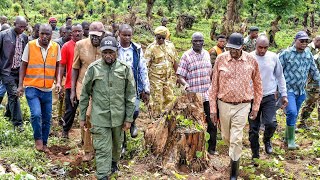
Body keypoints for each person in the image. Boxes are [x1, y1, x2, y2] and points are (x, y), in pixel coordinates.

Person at [79, 36, 136, 180]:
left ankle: (113, 163)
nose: (108, 55)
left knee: (117, 146)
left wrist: (129, 118)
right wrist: (82, 117)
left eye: (111, 52)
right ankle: (103, 175)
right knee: (103, 148)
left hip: (119, 116)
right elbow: (85, 93)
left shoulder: (125, 69)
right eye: (105, 52)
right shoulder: (94, 69)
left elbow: (130, 95)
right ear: (101, 52)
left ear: (117, 52)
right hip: (100, 117)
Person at [209, 33, 263, 179]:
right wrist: (213, 110)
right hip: (224, 104)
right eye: (230, 48)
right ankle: (233, 158)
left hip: (243, 105)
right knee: (227, 137)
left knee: (236, 138)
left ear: (242, 47)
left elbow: (258, 86)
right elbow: (214, 86)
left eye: (235, 49)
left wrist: (256, 106)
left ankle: (234, 174)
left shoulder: (251, 60)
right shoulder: (221, 59)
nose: (232, 51)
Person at [17, 24, 61, 152]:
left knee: (47, 118)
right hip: (32, 87)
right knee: (36, 114)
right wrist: (20, 85)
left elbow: (58, 66)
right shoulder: (30, 46)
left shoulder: (56, 47)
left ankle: (45, 143)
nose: (44, 36)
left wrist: (58, 82)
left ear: (51, 35)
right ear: (38, 33)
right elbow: (23, 65)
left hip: (47, 88)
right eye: (42, 33)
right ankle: (38, 140)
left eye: (47, 34)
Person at [176, 32, 217, 155]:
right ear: (192, 42)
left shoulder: (206, 54)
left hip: (207, 95)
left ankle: (212, 148)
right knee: (193, 123)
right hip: (193, 96)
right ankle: (193, 149)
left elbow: (210, 72)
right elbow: (180, 75)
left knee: (212, 122)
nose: (198, 43)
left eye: (200, 41)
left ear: (203, 42)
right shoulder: (186, 56)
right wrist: (185, 84)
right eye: (195, 41)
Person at [249, 35, 288, 162]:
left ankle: (267, 139)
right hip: (252, 97)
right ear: (256, 45)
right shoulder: (249, 57)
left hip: (269, 95)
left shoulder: (273, 57)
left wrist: (284, 94)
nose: (262, 50)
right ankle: (255, 153)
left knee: (271, 123)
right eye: (260, 47)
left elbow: (280, 76)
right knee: (253, 129)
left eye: (265, 47)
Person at [279, 31, 320, 150]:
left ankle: (287, 138)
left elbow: (314, 70)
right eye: (301, 41)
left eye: (306, 41)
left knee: (294, 113)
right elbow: (277, 71)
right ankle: (291, 141)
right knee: (291, 112)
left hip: (301, 90)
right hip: (288, 89)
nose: (304, 43)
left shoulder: (308, 54)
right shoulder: (286, 54)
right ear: (295, 40)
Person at [71, 21, 105, 161]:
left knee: (97, 118)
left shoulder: (108, 46)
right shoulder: (80, 45)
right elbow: (75, 67)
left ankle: (96, 144)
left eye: (98, 36)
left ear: (103, 34)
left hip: (102, 89)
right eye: (92, 35)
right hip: (84, 87)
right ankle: (88, 150)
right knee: (88, 115)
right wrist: (72, 90)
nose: (95, 38)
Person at [117, 24, 150, 153]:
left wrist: (146, 88)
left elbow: (142, 68)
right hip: (118, 87)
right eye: (124, 35)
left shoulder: (136, 49)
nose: (126, 37)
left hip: (134, 85)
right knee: (120, 116)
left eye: (129, 35)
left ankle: (133, 122)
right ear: (119, 34)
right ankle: (123, 144)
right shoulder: (115, 48)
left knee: (134, 110)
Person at [0, 16, 28, 132]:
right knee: (14, 94)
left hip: (18, 71)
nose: (22, 29)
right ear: (14, 24)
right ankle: (18, 124)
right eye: (20, 26)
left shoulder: (24, 37)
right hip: (6, 71)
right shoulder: (3, 35)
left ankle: (7, 115)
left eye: (24, 27)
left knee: (13, 95)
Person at [144, 26, 178, 118]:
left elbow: (174, 61)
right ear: (155, 36)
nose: (161, 40)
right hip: (155, 80)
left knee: (170, 100)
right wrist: (145, 84)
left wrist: (178, 76)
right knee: (157, 102)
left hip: (168, 79)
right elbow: (145, 67)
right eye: (159, 38)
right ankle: (156, 122)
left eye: (163, 37)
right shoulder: (151, 48)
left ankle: (166, 122)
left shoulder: (170, 46)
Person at [57, 23, 83, 139]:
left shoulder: (87, 45)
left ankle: (85, 136)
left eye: (79, 31)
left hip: (84, 83)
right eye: (75, 31)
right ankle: (65, 130)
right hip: (70, 83)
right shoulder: (66, 46)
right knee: (70, 109)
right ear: (71, 33)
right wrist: (59, 81)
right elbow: (62, 66)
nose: (77, 33)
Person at [298, 35, 320, 129]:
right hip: (312, 83)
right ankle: (301, 122)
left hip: (316, 81)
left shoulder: (316, 51)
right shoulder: (308, 50)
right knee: (310, 102)